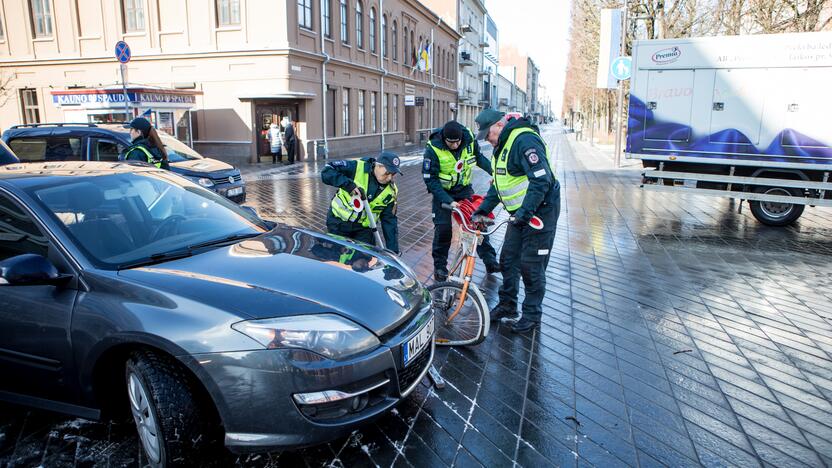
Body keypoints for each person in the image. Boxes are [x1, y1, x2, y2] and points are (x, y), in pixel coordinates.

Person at [472, 109, 560, 334]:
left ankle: (532, 315)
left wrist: (524, 214)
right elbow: (499, 186)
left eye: (488, 134)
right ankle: (508, 305)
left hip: (541, 211)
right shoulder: (502, 147)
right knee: (508, 259)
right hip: (521, 214)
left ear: (499, 126)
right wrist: (483, 210)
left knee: (531, 265)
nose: (487, 140)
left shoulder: (524, 140)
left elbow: (542, 181)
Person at [423, 120, 500, 281]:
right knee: (443, 229)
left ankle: (490, 261)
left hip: (464, 189)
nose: (456, 145)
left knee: (477, 223)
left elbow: (479, 158)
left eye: (458, 141)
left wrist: (496, 173)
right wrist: (448, 201)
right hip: (443, 193)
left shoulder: (469, 140)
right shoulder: (433, 149)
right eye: (451, 142)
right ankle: (440, 267)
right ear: (444, 139)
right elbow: (431, 181)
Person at [321, 151, 401, 253]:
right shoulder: (356, 167)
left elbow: (389, 222)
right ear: (378, 165)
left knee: (365, 260)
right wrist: (348, 185)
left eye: (393, 174)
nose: (390, 178)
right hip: (339, 223)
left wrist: (393, 252)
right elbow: (327, 171)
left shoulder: (391, 191)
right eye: (387, 173)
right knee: (337, 256)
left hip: (364, 230)